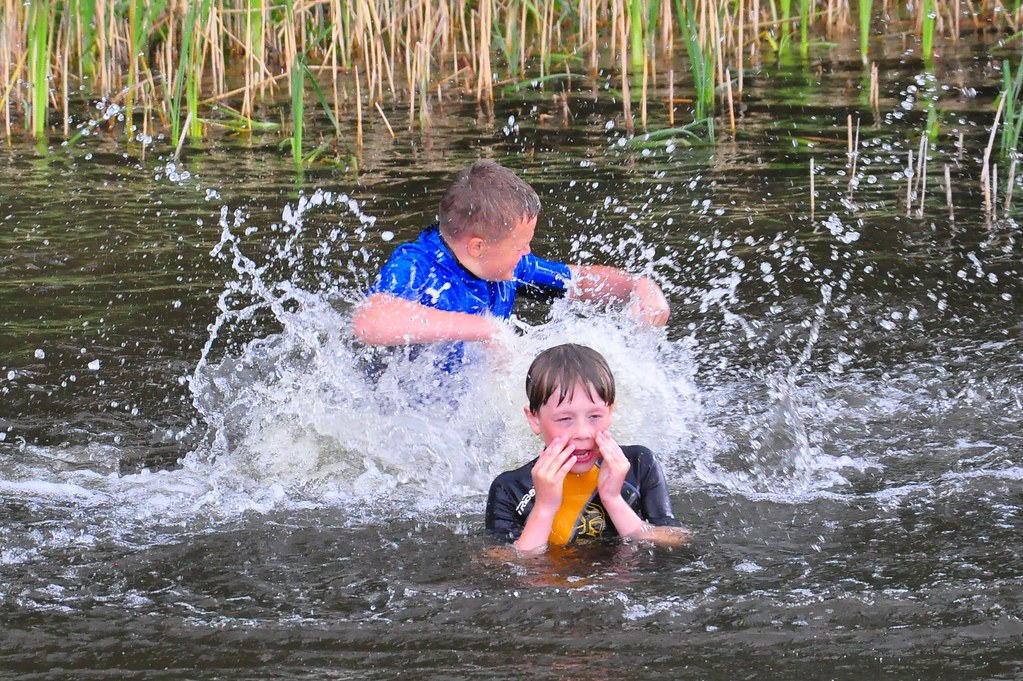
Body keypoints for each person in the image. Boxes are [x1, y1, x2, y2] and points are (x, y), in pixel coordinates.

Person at [351, 160, 670, 366]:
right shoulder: (416, 267)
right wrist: (484, 329)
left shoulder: (510, 268)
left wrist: (640, 286)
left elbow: (582, 281)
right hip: (399, 423)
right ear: (477, 246)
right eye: (520, 245)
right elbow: (370, 321)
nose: (527, 251)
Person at [485, 343, 690, 552]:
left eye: (594, 416)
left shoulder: (638, 463)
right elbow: (508, 565)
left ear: (610, 411)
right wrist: (544, 508)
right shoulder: (510, 488)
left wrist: (613, 499)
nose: (583, 432)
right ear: (534, 419)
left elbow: (675, 540)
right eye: (565, 419)